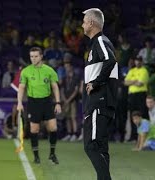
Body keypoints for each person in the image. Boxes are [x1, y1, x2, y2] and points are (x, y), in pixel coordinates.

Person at [81, 8, 119, 180]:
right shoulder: (97, 44)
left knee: (92, 146)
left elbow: (110, 60)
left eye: (84, 21)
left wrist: (96, 83)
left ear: (91, 23)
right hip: (101, 102)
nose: (82, 25)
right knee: (101, 149)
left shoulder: (100, 41)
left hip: (99, 101)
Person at [17, 47, 62, 165]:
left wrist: (58, 103)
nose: (33, 58)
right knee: (34, 129)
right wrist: (19, 103)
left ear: (41, 56)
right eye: (31, 56)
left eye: (36, 56)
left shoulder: (49, 70)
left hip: (47, 102)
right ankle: (36, 156)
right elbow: (21, 88)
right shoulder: (25, 71)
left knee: (53, 128)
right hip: (33, 102)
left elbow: (55, 87)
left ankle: (52, 154)